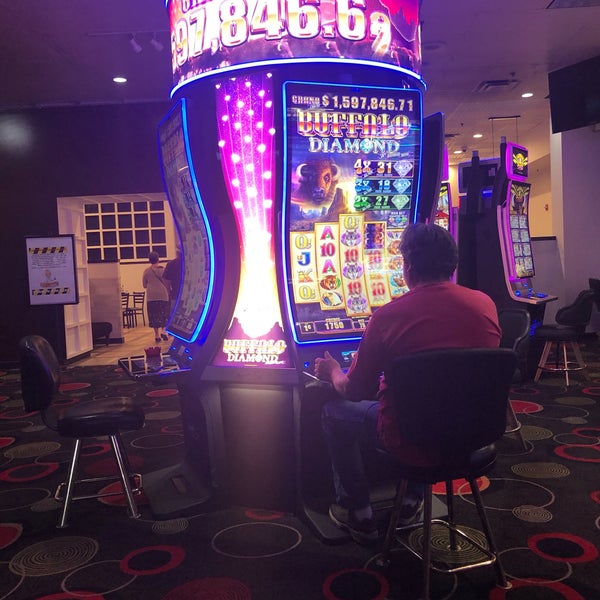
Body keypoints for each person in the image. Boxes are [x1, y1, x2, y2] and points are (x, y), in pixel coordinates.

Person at [314, 223, 501, 545]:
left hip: (408, 438)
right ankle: (412, 501)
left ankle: (358, 512)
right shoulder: (485, 304)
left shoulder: (388, 316)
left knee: (334, 410)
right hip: (473, 434)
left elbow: (353, 391)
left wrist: (333, 371)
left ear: (408, 266)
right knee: (433, 406)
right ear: (452, 264)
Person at [142, 251, 170, 343]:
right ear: (158, 259)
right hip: (163, 294)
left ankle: (156, 335)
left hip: (151, 296)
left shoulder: (146, 271)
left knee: (154, 314)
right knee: (164, 313)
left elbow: (144, 285)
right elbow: (167, 281)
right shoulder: (163, 270)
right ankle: (163, 331)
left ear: (149, 260)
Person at [162, 246, 182, 311]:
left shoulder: (171, 264)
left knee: (176, 312)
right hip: (189, 296)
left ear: (177, 253)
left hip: (175, 295)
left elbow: (165, 280)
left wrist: (169, 292)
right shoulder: (189, 263)